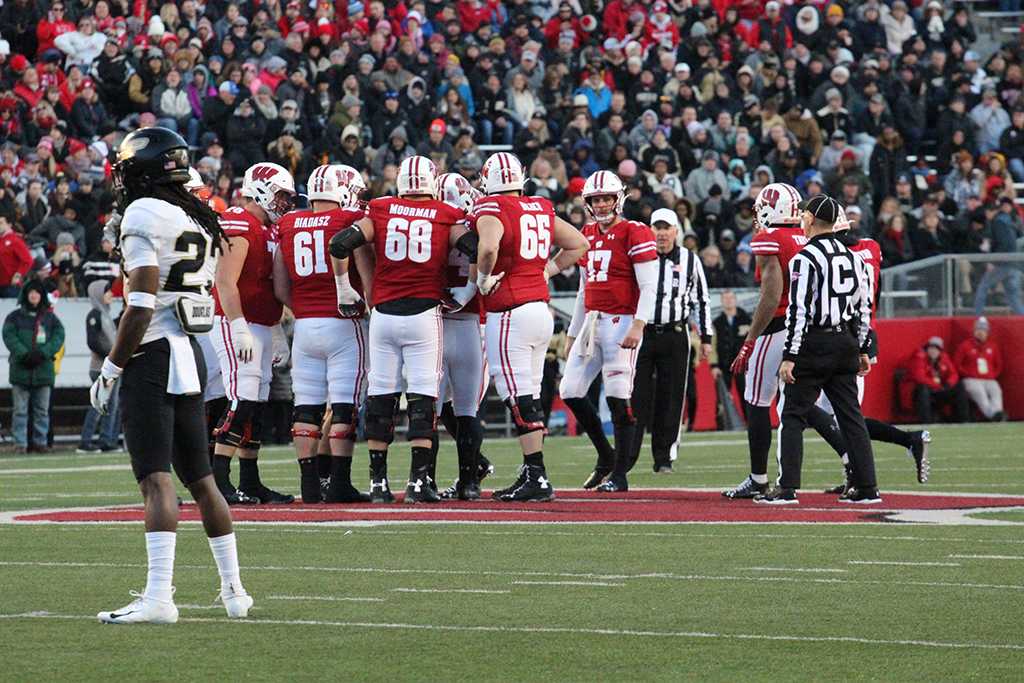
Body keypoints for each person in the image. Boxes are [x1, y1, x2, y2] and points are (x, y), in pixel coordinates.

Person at [89, 127, 251, 624]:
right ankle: (234, 592)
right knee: (203, 480)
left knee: (156, 480)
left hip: (153, 354)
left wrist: (112, 368)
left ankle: (159, 597)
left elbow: (139, 304)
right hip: (189, 352)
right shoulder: (195, 214)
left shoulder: (142, 212)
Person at [328, 155, 468, 503]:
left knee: (381, 397)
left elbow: (340, 243)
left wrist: (345, 288)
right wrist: (471, 287)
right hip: (423, 314)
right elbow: (476, 248)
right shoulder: (445, 214)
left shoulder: (381, 209)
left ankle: (378, 484)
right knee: (422, 398)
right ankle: (419, 484)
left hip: (384, 317)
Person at [723, 184, 851, 500]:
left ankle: (757, 477)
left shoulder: (771, 239)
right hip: (807, 329)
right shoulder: (805, 237)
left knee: (756, 400)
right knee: (798, 404)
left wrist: (750, 339)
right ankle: (851, 458)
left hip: (777, 326)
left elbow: (770, 297)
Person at [474, 152, 589, 500]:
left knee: (517, 393)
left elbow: (489, 247)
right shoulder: (539, 206)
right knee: (531, 392)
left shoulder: (492, 208)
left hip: (510, 312)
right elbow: (579, 244)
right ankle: (532, 471)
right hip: (541, 309)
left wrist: (482, 279)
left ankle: (536, 473)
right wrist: (547, 271)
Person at [760, 194, 879, 505]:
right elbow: (863, 308)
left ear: (811, 219)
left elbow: (798, 311)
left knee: (792, 413)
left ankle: (787, 488)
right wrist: (863, 347)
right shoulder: (856, 257)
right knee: (851, 416)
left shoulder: (804, 258)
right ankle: (868, 488)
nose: (801, 217)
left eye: (804, 214)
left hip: (815, 342)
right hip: (846, 342)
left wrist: (790, 356)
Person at [274, 164, 370, 503]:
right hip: (344, 323)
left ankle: (309, 483)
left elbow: (280, 285)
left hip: (304, 325)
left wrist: (302, 307)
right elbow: (364, 270)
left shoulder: (287, 224)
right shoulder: (347, 221)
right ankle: (340, 481)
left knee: (307, 406)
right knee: (344, 405)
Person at [561, 170, 658, 493]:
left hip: (622, 322)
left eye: (606, 198)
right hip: (592, 322)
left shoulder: (635, 231)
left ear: (619, 199)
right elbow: (582, 289)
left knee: (618, 396)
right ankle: (606, 456)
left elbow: (648, 285)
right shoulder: (585, 233)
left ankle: (620, 474)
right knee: (570, 390)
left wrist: (639, 324)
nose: (601, 204)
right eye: (596, 199)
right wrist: (573, 334)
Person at [210, 162, 296, 505]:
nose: (285, 203)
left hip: (260, 323)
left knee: (257, 404)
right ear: (260, 189)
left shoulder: (265, 228)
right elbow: (225, 281)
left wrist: (275, 327)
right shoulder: (238, 222)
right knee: (242, 399)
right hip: (237, 322)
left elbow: (271, 285)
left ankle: (250, 479)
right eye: (281, 195)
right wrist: (238, 324)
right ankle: (217, 480)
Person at [629, 207, 711, 473]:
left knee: (672, 396)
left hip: (676, 333)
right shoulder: (640, 257)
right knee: (634, 395)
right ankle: (626, 456)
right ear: (649, 230)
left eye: (666, 228)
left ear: (676, 231)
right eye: (657, 228)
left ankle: (664, 457)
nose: (661, 234)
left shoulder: (690, 259)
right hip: (642, 333)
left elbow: (701, 299)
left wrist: (706, 336)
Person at [431, 172, 488, 500]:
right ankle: (470, 483)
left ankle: (427, 482)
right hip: (467, 324)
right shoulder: (475, 223)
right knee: (466, 408)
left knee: (432, 409)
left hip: (434, 323)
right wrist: (465, 296)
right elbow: (483, 258)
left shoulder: (429, 225)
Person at [2, 279, 64, 453]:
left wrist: (43, 353)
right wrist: (24, 354)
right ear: (26, 295)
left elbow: (59, 336)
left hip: (43, 371)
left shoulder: (50, 318)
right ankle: (20, 444)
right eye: (31, 292)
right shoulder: (13, 317)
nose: (34, 295)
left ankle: (40, 443)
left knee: (42, 411)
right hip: (20, 371)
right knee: (20, 411)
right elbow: (8, 336)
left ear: (42, 296)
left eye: (37, 292)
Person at [77, 280, 120, 453]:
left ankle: (106, 440)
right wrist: (112, 356)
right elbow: (93, 342)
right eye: (107, 291)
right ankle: (85, 442)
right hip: (100, 368)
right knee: (98, 404)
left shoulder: (106, 314)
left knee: (111, 405)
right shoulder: (95, 315)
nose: (110, 294)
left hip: (111, 368)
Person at [901, 337, 970, 424]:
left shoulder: (944, 358)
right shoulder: (919, 357)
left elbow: (954, 374)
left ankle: (963, 421)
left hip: (937, 390)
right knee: (923, 389)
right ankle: (926, 422)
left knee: (959, 387)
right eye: (931, 348)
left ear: (940, 351)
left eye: (936, 348)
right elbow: (920, 378)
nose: (933, 351)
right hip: (918, 393)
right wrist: (938, 386)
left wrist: (948, 384)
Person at [974, 197, 1023, 315]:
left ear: (990, 211)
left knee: (983, 287)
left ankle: (977, 316)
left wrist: (993, 261)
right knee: (1012, 295)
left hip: (1003, 263)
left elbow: (1004, 243)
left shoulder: (998, 222)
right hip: (1013, 263)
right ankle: (1022, 319)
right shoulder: (1007, 219)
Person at [954, 317, 1005, 421]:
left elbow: (998, 364)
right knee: (980, 393)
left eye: (983, 330)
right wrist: (967, 374)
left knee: (996, 391)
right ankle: (992, 415)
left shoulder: (992, 346)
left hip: (989, 378)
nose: (981, 333)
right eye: (978, 330)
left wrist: (993, 375)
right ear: (974, 331)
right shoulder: (965, 346)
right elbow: (957, 363)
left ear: (987, 332)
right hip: (971, 379)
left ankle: (997, 413)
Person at [710, 290, 751, 420]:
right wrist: (714, 365)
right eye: (725, 298)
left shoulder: (746, 319)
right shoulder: (717, 322)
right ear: (721, 301)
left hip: (742, 365)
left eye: (731, 298)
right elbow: (713, 345)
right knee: (722, 397)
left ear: (735, 300)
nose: (728, 301)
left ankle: (750, 423)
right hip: (723, 365)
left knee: (746, 395)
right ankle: (722, 424)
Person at [0, 215, 33, 297]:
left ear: (9, 225)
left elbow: (27, 260)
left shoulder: (15, 240)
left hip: (10, 285)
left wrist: (18, 274)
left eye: (1, 223)